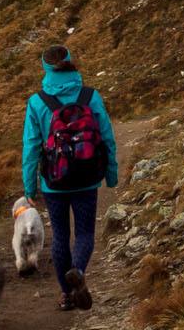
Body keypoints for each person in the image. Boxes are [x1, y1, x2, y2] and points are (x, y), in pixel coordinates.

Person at [21, 45, 118, 311]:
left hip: (54, 183)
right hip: (87, 178)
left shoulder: (37, 102)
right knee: (85, 232)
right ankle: (78, 271)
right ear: (69, 62)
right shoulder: (90, 95)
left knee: (61, 235)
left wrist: (30, 186)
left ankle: (66, 295)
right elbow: (107, 138)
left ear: (45, 67)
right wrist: (111, 174)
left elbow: (30, 148)